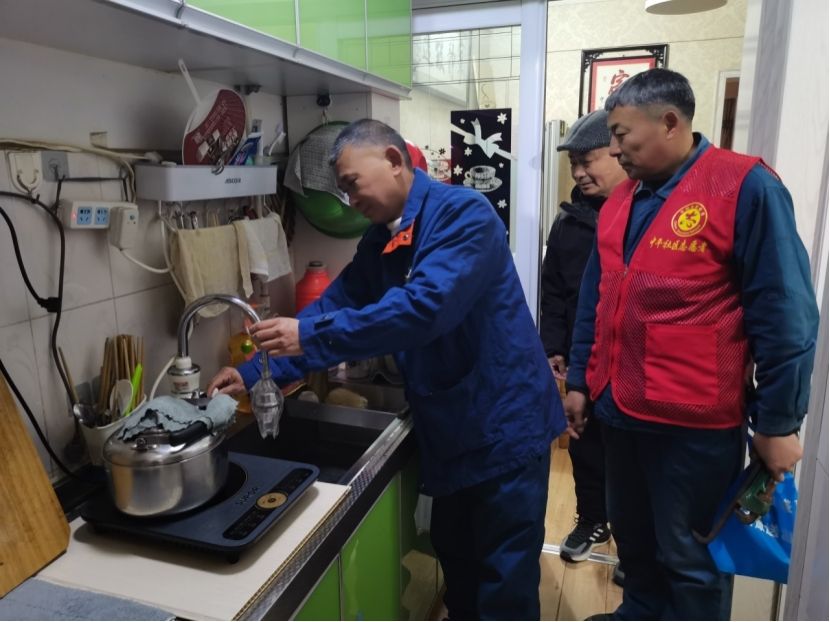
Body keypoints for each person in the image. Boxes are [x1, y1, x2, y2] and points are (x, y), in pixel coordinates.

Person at [208, 119, 566, 620]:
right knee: (460, 566)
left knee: (503, 581)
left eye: (352, 184)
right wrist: (253, 371)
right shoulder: (381, 239)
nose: (349, 199)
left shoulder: (463, 214)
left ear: (394, 161)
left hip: (503, 426)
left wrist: (309, 335)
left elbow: (424, 309)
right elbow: (338, 302)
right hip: (453, 429)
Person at [564, 68, 819, 621]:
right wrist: (581, 379)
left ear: (669, 123)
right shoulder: (621, 199)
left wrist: (778, 423)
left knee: (691, 559)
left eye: (621, 135)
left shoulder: (745, 186)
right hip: (620, 409)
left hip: (694, 424)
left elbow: (786, 313)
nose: (614, 149)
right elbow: (597, 299)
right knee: (635, 543)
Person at [540, 110, 627, 565]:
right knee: (584, 443)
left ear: (617, 152)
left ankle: (634, 548)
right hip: (582, 357)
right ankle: (592, 518)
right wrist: (554, 347)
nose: (578, 172)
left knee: (633, 458)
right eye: (573, 163)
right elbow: (553, 290)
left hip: (634, 364)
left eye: (587, 160)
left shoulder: (644, 212)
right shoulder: (569, 221)